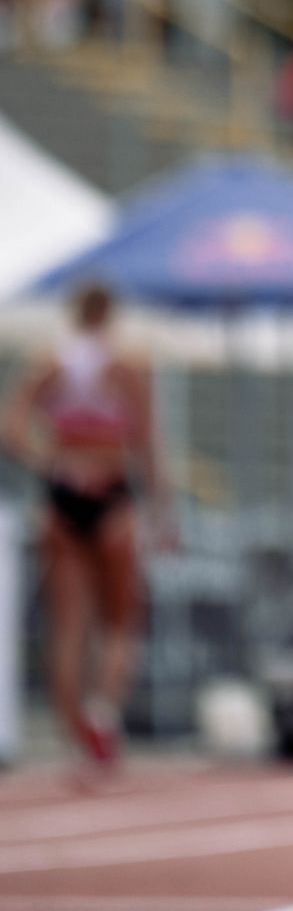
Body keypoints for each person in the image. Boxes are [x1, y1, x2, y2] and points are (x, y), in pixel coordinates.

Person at [0, 280, 177, 767]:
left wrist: (52, 462)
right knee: (120, 620)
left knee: (69, 624)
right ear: (111, 313)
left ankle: (71, 737)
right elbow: (148, 442)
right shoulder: (126, 366)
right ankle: (102, 713)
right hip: (111, 493)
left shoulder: (51, 361)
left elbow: (12, 426)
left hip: (63, 496)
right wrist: (163, 508)